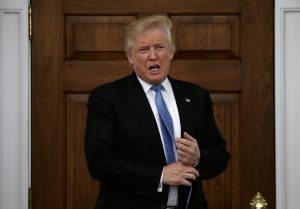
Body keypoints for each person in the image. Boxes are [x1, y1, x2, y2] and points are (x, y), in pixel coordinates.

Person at [84, 15, 230, 209]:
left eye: (159, 47)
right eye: (144, 49)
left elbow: (220, 155)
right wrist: (160, 175)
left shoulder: (196, 96)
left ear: (171, 52)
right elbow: (99, 162)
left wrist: (198, 158)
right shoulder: (107, 98)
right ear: (130, 56)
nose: (153, 56)